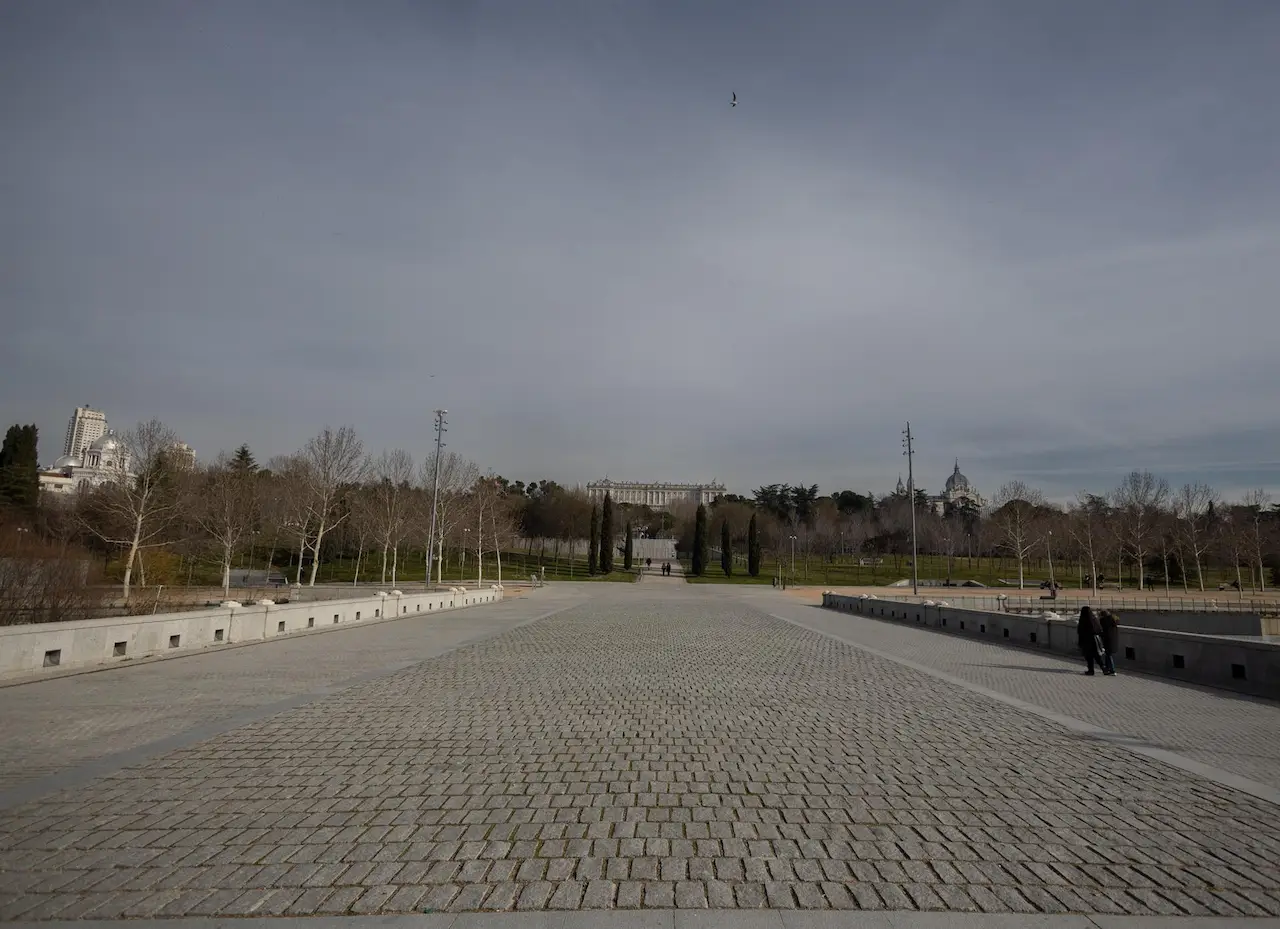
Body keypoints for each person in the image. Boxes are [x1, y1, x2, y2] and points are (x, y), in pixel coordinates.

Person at [1077, 606, 1105, 676]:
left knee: (1089, 656)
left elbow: (1080, 631)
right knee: (1097, 656)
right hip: (1095, 640)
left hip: (1086, 641)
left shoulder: (1083, 620)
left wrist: (1080, 643)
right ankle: (1104, 668)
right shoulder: (1094, 619)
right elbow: (1099, 629)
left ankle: (1091, 670)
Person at [1098, 610, 1119, 675]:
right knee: (1107, 654)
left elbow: (1103, 631)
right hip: (1113, 640)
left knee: (1109, 655)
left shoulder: (1104, 621)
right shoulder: (1113, 620)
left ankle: (1112, 670)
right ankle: (1107, 669)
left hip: (1107, 640)